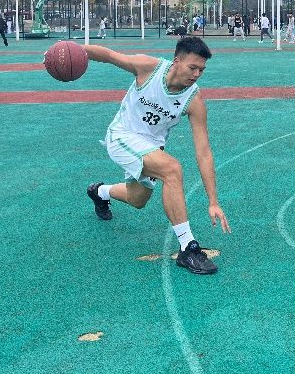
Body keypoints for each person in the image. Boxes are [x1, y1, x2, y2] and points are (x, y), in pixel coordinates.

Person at [84, 36, 231, 275]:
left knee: (137, 199)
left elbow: (203, 152)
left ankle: (99, 192)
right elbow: (109, 56)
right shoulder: (148, 69)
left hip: (151, 147)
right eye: (192, 67)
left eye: (201, 70)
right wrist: (73, 50)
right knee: (172, 169)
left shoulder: (194, 100)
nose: (196, 74)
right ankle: (188, 248)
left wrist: (213, 201)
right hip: (122, 136)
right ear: (176, 61)